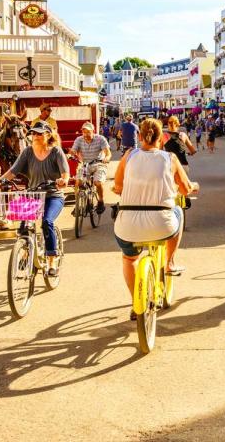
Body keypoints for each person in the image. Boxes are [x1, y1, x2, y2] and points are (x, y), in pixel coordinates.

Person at [113, 118, 199, 319]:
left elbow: (118, 187)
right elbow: (186, 189)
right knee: (177, 211)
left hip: (128, 226)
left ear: (139, 137)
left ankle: (137, 302)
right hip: (162, 224)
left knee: (129, 258)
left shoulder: (128, 156)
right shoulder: (170, 158)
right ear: (162, 139)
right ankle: (168, 262)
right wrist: (194, 186)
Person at [0, 123, 69, 276]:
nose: (35, 136)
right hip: (33, 195)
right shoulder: (27, 152)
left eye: (39, 133)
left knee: (47, 222)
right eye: (33, 133)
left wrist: (63, 181)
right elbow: (13, 171)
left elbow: (65, 173)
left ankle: (51, 259)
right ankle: (26, 252)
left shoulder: (56, 152)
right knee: (22, 227)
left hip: (53, 195)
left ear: (48, 135)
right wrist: (0, 180)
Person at [70, 122, 111, 213]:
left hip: (98, 164)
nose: (86, 134)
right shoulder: (79, 139)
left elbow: (108, 153)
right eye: (84, 132)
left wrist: (106, 158)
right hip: (85, 165)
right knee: (78, 182)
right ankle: (77, 205)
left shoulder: (100, 139)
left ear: (93, 131)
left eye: (88, 132)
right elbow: (74, 150)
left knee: (98, 182)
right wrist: (72, 153)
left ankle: (100, 201)